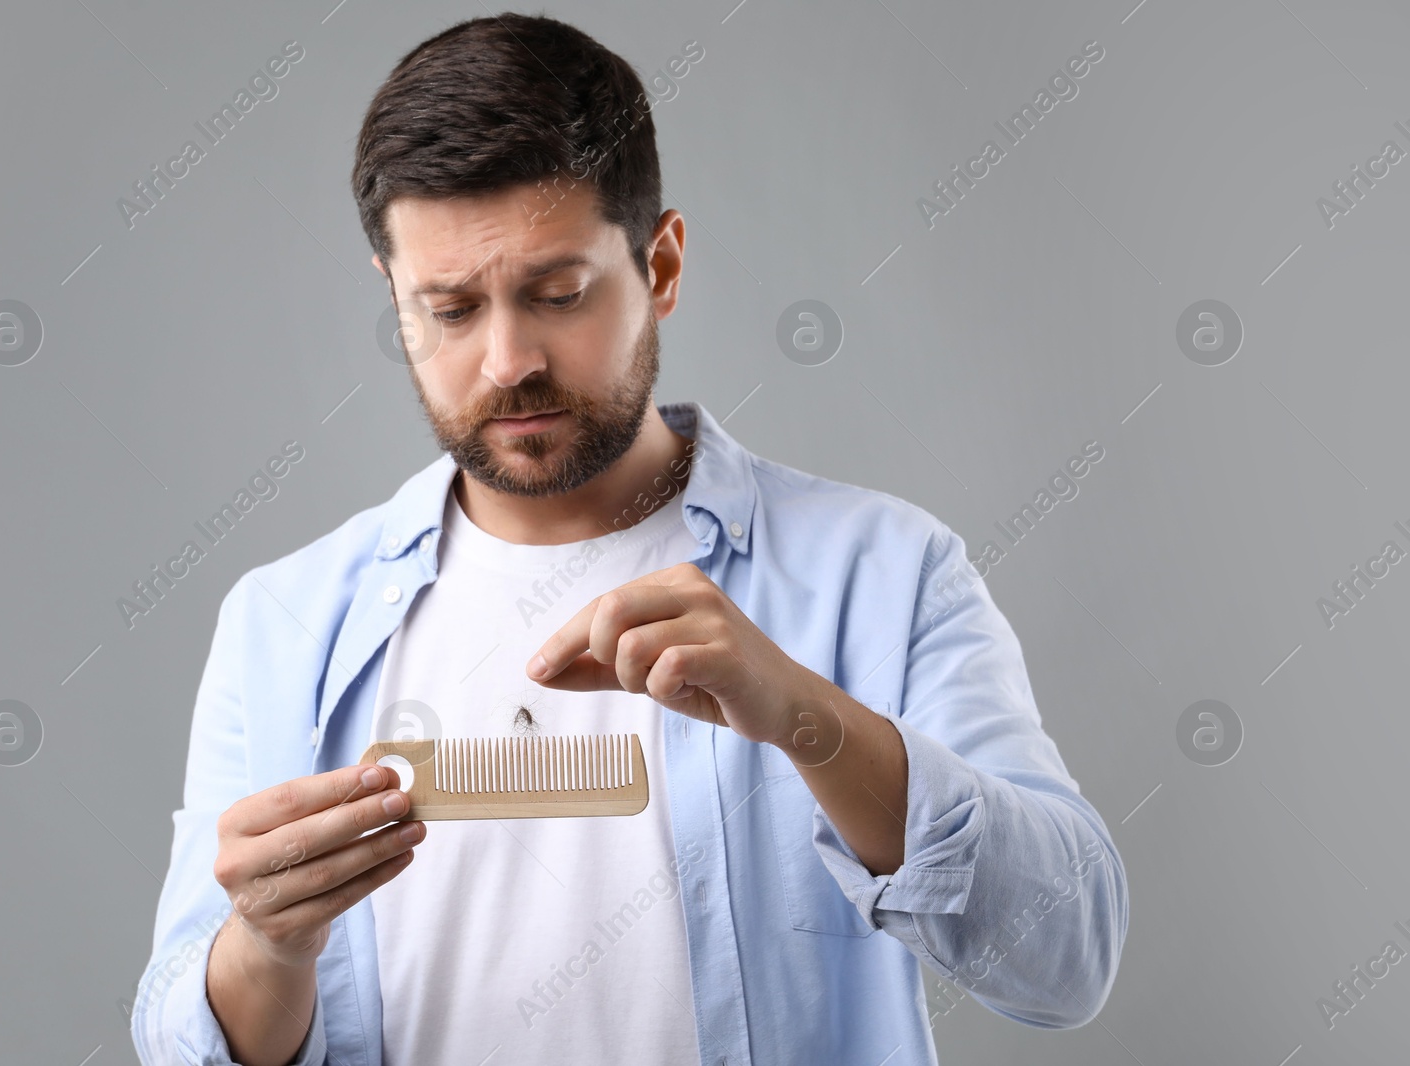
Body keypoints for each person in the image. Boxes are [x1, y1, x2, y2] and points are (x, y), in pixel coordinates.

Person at [130, 13, 1128, 1066]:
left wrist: (806, 718)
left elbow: (1065, 959)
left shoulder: (882, 574)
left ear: (661, 264)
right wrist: (268, 945)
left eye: (557, 294)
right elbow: (179, 1039)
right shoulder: (283, 623)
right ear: (394, 299)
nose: (508, 358)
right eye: (451, 308)